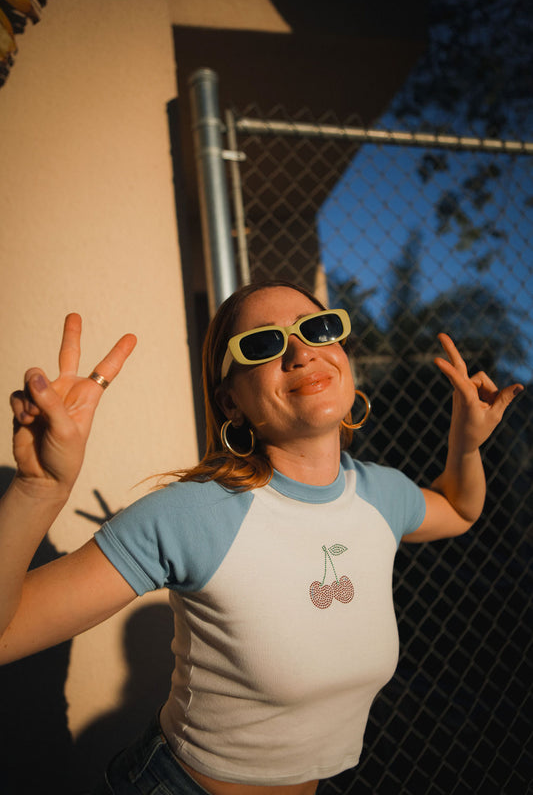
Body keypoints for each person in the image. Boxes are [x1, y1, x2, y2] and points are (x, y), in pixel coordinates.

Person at [0, 280, 523, 795]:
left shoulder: (383, 493)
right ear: (231, 401)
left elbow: (457, 508)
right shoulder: (192, 514)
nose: (300, 352)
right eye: (262, 343)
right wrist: (37, 490)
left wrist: (466, 440)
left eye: (318, 329)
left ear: (343, 354)